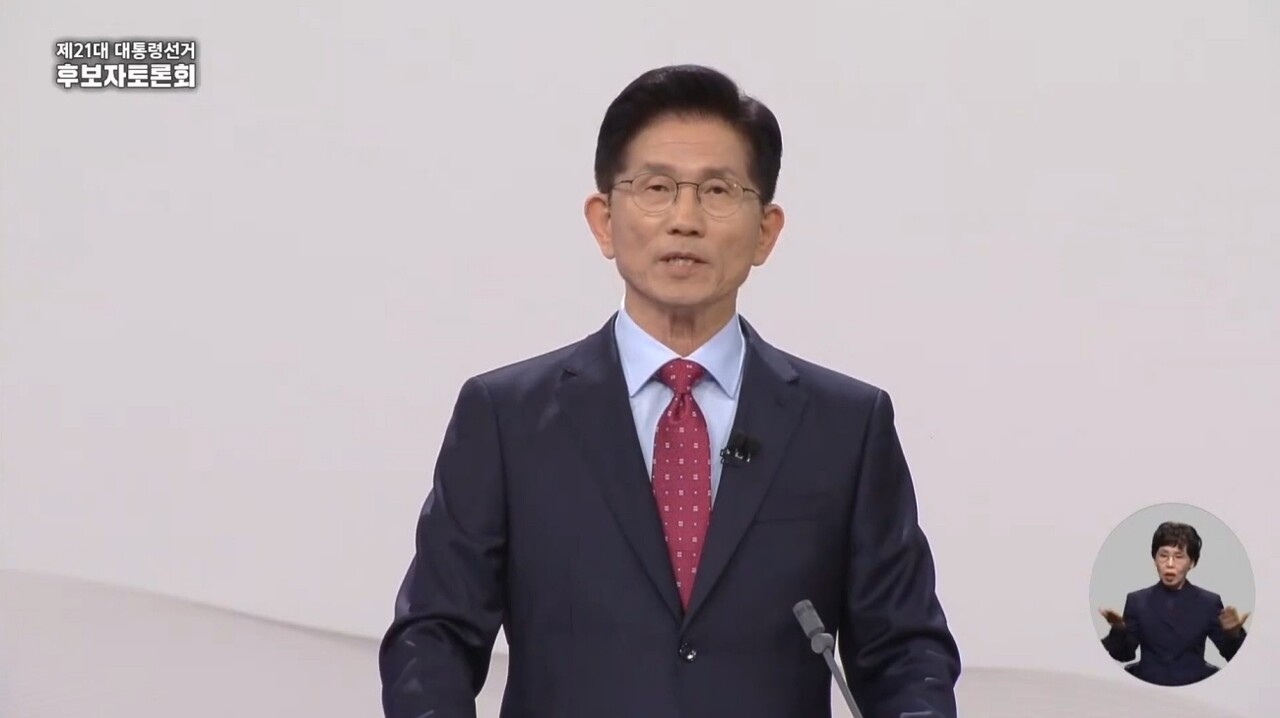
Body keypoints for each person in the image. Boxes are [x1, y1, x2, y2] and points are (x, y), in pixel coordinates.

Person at [379, 63, 961, 718]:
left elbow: (905, 653)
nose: (685, 219)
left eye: (717, 191)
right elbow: (433, 636)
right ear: (604, 220)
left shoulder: (846, 427)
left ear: (766, 231)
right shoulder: (506, 419)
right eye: (656, 188)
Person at [1099, 521, 1249, 686]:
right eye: (1163, 556)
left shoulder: (1208, 602)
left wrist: (1234, 634)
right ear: (1154, 559)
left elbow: (1232, 656)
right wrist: (1119, 630)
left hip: (1194, 687)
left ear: (1192, 562)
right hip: (1148, 686)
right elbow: (1124, 655)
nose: (1170, 564)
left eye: (1179, 557)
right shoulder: (1137, 601)